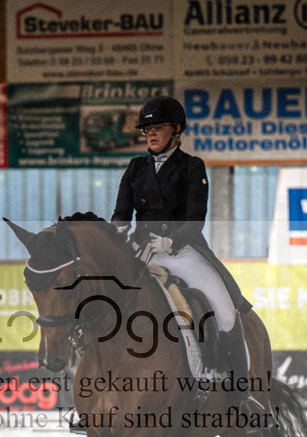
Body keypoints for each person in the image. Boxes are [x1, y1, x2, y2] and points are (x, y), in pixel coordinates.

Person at [111, 95, 262, 417]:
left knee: (225, 311)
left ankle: (240, 397)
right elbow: (121, 214)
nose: (151, 134)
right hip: (142, 252)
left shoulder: (192, 166)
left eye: (158, 128)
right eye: (147, 129)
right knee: (106, 303)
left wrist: (171, 241)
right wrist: (116, 232)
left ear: (176, 130)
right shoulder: (136, 167)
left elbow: (196, 219)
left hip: (182, 250)